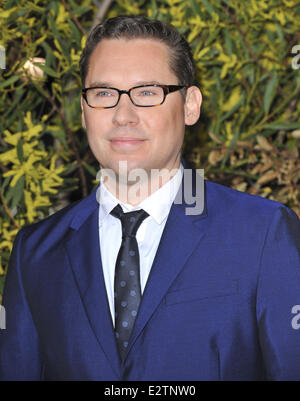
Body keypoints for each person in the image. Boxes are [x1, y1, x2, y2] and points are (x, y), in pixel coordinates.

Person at [0, 15, 300, 381]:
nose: (123, 115)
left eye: (147, 92)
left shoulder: (262, 235)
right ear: (83, 110)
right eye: (104, 93)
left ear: (190, 105)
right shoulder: (37, 251)